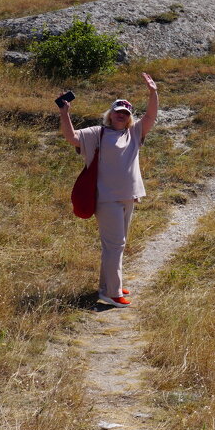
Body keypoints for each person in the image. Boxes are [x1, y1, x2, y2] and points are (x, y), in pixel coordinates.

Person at [58, 72, 159, 307]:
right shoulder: (98, 133)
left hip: (128, 197)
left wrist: (153, 92)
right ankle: (112, 294)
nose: (121, 116)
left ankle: (108, 285)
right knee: (116, 245)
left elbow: (151, 115)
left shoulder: (134, 134)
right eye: (117, 112)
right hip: (107, 199)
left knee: (114, 245)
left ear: (129, 117)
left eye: (126, 113)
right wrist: (65, 114)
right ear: (110, 114)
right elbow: (72, 137)